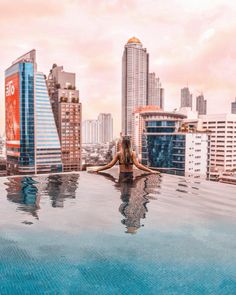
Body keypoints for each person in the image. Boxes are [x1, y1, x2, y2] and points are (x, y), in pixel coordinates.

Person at [89, 136, 160, 175]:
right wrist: (151, 171)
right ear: (130, 144)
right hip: (130, 175)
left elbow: (109, 165)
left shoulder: (119, 153)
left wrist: (97, 169)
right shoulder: (133, 153)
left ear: (122, 144)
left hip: (122, 175)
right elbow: (138, 165)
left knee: (123, 193)